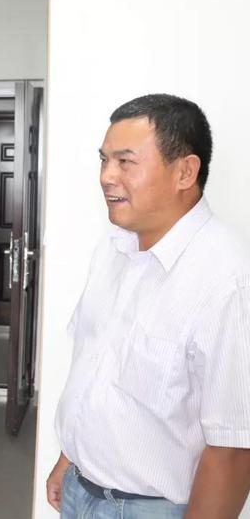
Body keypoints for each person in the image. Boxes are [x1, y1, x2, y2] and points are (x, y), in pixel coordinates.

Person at [46, 94, 250, 518]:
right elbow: (95, 368)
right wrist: (69, 458)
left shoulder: (228, 281)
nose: (106, 176)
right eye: (104, 160)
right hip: (80, 488)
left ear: (185, 172)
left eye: (125, 162)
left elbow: (232, 451)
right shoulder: (112, 248)